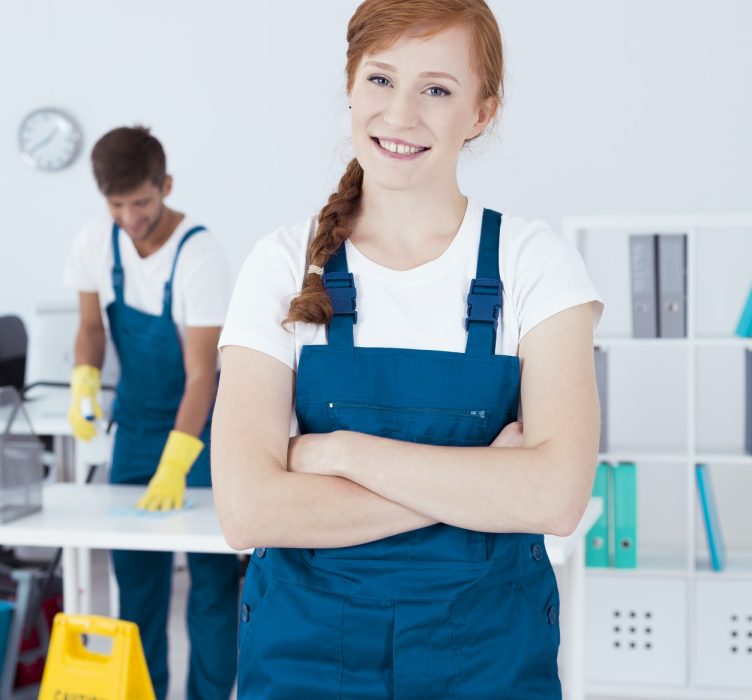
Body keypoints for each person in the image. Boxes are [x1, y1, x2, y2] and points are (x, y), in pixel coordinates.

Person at [213, 0, 603, 697]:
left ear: (482, 113)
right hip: (306, 654)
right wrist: (482, 484)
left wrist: (337, 455)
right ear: (350, 86)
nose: (400, 116)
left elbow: (555, 498)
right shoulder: (280, 266)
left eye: (437, 89)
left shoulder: (535, 264)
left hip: (488, 654)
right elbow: (247, 510)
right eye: (382, 80)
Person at [63, 126, 238, 699]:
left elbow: (200, 375)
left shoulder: (200, 253)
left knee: (212, 587)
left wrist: (178, 460)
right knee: (136, 588)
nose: (130, 217)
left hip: (202, 434)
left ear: (165, 185)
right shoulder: (96, 240)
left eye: (140, 202)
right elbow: (90, 328)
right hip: (135, 431)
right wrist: (85, 378)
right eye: (117, 205)